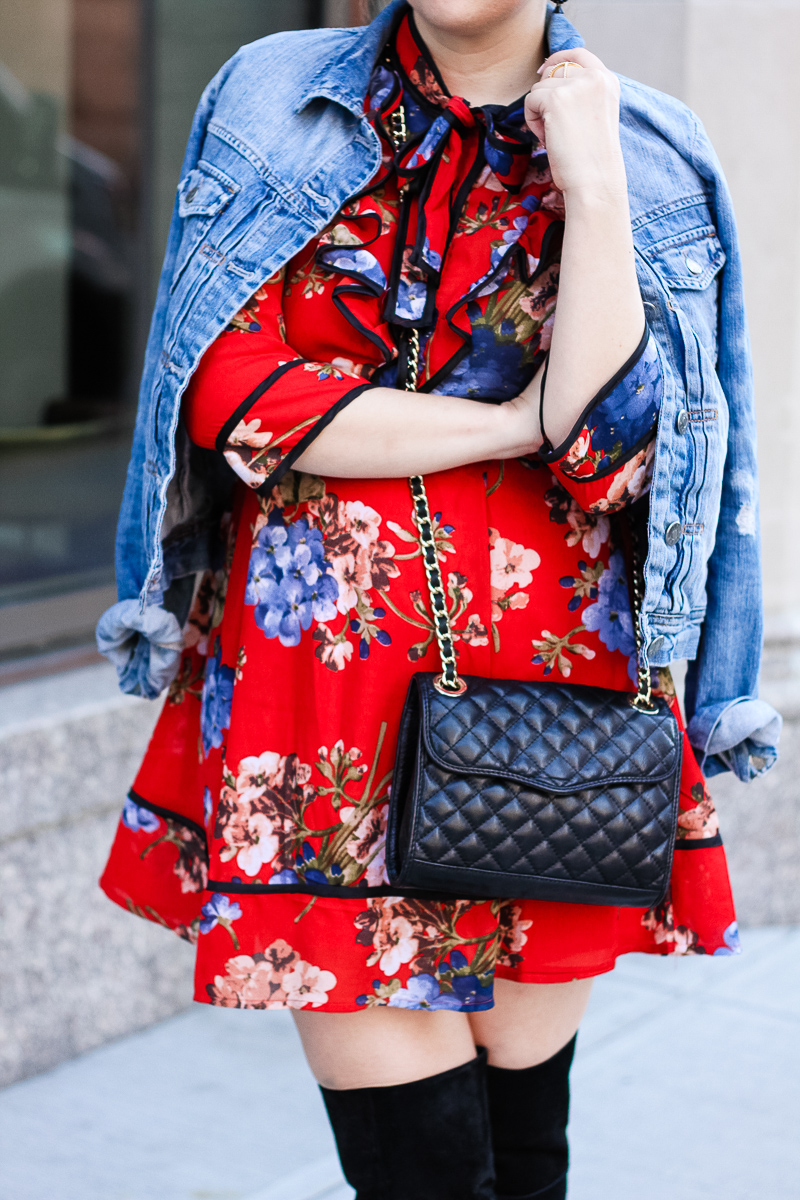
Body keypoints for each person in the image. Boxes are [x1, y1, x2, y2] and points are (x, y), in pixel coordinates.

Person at [96, 1, 781, 1197]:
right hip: (320, 703)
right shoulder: (274, 96)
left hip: (555, 708)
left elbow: (611, 453)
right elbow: (233, 394)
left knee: (524, 1154)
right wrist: (513, 423)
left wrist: (598, 187)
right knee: (415, 1169)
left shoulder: (647, 140)